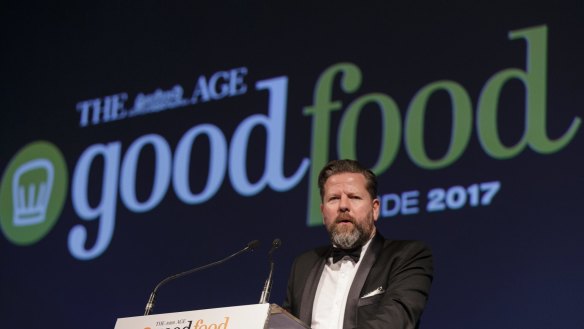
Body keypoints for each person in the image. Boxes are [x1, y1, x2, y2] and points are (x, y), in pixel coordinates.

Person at [282, 159, 433, 329]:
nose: (343, 206)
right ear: (323, 212)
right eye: (334, 198)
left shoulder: (408, 256)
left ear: (374, 209)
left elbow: (395, 321)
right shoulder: (304, 264)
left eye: (354, 197)